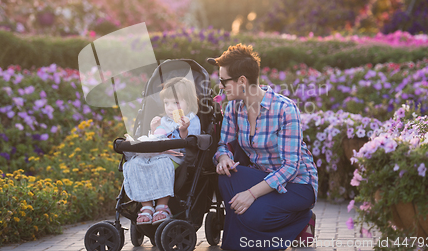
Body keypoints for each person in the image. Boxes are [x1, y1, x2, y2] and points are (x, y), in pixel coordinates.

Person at [211, 44, 318, 251]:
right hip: (263, 177)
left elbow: (290, 167)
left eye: (224, 81)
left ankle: (303, 219)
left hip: (298, 184)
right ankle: (244, 234)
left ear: (242, 80)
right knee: (225, 176)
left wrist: (251, 194)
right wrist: (223, 157)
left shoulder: (285, 109)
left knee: (252, 214)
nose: (221, 86)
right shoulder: (234, 107)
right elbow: (223, 144)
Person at [123, 77, 201, 225]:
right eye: (167, 103)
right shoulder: (164, 120)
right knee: (135, 163)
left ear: (189, 103)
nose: (170, 108)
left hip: (175, 155)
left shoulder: (191, 119)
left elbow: (191, 142)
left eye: (176, 103)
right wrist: (154, 130)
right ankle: (146, 206)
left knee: (162, 163)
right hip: (157, 153)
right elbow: (157, 138)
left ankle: (162, 206)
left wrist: (184, 130)